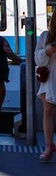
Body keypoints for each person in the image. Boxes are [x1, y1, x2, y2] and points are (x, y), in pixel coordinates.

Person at [36, 13, 56, 162]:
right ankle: (49, 146)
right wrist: (48, 51)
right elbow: (37, 58)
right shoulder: (45, 36)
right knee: (48, 112)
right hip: (51, 79)